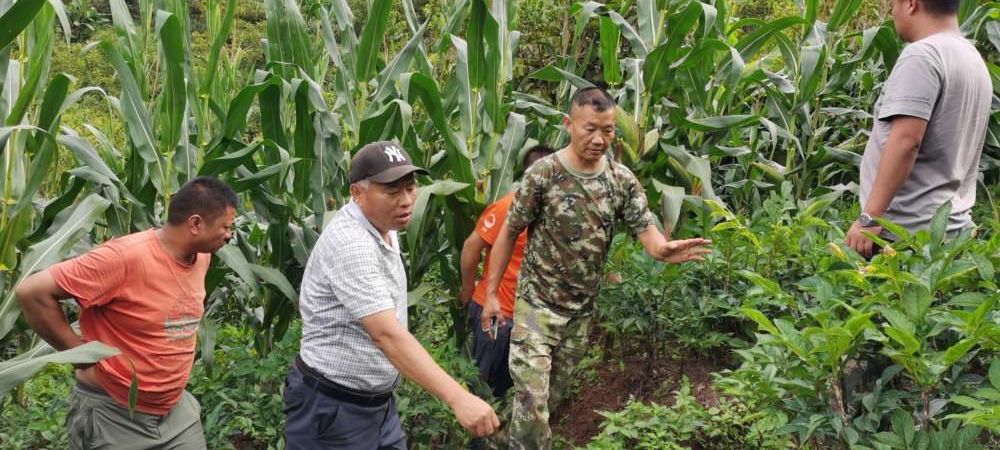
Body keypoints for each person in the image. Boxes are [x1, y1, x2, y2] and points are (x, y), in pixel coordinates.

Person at [481, 88, 712, 450]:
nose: (599, 139)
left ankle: (491, 442)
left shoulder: (620, 181)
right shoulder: (543, 174)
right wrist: (492, 293)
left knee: (547, 402)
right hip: (535, 309)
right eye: (590, 129)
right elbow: (509, 231)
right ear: (569, 124)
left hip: (580, 314)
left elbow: (646, 231)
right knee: (531, 402)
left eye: (607, 131)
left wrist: (663, 249)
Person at [284, 141, 500, 449]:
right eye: (392, 191)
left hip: (377, 406)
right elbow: (385, 335)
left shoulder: (384, 224)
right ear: (357, 194)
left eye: (410, 188)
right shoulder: (352, 244)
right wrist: (458, 397)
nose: (407, 200)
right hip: (333, 409)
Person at [15, 177, 238, 450]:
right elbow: (31, 292)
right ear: (195, 224)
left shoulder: (201, 256)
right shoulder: (123, 258)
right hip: (114, 415)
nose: (229, 235)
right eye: (225, 227)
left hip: (176, 414)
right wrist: (80, 355)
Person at [846, 0, 991, 257]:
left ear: (911, 3)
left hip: (905, 237)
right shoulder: (972, 58)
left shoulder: (923, 55)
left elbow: (906, 142)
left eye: (894, 4)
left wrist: (871, 218)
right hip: (952, 231)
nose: (892, 12)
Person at [459, 145, 555, 401]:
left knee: (509, 387)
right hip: (496, 312)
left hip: (530, 317)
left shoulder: (557, 214)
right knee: (478, 384)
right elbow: (471, 246)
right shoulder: (507, 207)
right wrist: (467, 288)